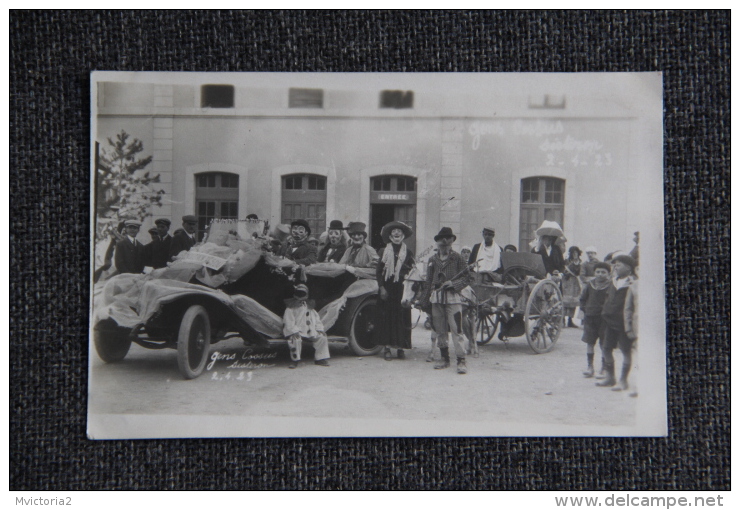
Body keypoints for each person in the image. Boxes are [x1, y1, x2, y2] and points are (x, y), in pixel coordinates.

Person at [419, 227, 471, 374]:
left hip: (453, 299)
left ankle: (461, 360)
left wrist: (453, 284)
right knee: (440, 330)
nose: (444, 242)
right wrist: (424, 300)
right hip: (436, 299)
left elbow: (468, 277)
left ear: (452, 242)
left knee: (457, 330)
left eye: (448, 239)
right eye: (441, 240)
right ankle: (444, 358)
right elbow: (428, 281)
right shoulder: (432, 260)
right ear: (437, 243)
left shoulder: (458, 258)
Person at [375, 221, 415, 360]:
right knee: (387, 318)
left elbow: (412, 272)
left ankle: (400, 348)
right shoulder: (383, 251)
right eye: (394, 232)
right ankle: (386, 348)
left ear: (403, 235)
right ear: (390, 235)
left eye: (399, 231)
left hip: (402, 290)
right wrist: (381, 288)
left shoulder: (408, 253)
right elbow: (379, 271)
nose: (397, 234)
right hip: (388, 289)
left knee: (402, 318)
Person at [597, 254, 637, 391]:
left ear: (628, 268)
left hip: (623, 323)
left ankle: (623, 380)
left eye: (618, 265)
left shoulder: (633, 283)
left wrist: (631, 324)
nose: (615, 267)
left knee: (626, 351)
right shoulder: (613, 281)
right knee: (606, 348)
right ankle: (610, 377)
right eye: (614, 265)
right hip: (609, 320)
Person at [282, 284, 330, 368]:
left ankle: (320, 358)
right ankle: (295, 360)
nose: (301, 295)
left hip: (309, 331)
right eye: (299, 293)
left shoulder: (309, 306)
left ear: (307, 295)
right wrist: (294, 331)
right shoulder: (290, 308)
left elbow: (316, 318)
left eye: (303, 293)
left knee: (322, 337)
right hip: (298, 331)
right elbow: (289, 321)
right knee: (295, 340)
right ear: (295, 294)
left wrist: (319, 328)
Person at [579, 262, 611, 378]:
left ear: (608, 273)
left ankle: (604, 368)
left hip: (604, 319)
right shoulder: (590, 284)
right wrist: (586, 310)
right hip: (590, 318)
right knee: (590, 342)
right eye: (598, 272)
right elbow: (583, 299)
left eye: (603, 272)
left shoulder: (611, 285)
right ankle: (590, 367)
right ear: (594, 272)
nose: (600, 274)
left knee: (604, 344)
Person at [624, 279, 639, 397]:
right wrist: (628, 327)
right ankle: (636, 386)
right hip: (639, 327)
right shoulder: (634, 286)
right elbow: (628, 309)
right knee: (638, 357)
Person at [562, 246, 583, 327]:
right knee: (565, 301)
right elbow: (564, 271)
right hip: (567, 282)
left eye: (576, 253)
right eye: (573, 253)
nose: (574, 254)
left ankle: (570, 320)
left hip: (575, 282)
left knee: (573, 302)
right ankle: (562, 320)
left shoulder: (580, 262)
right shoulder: (567, 261)